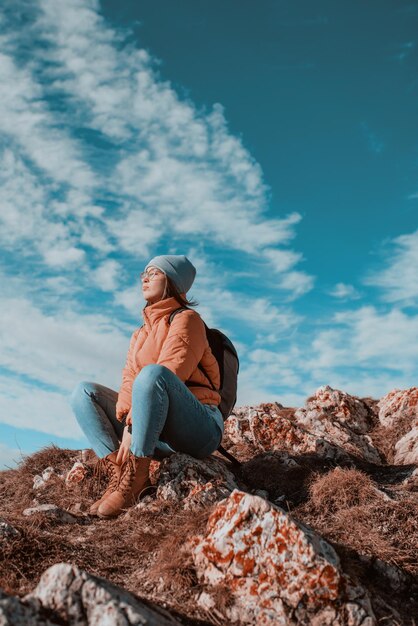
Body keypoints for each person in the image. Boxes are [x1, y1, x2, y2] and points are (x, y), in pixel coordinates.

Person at [71, 255, 223, 518]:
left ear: (172, 281)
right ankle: (119, 474)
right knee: (84, 393)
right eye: (145, 272)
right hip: (156, 429)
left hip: (200, 427)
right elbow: (129, 379)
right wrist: (126, 416)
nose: (144, 278)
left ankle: (136, 478)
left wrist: (131, 427)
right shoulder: (140, 333)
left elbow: (171, 370)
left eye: (154, 273)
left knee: (153, 373)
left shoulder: (187, 320)